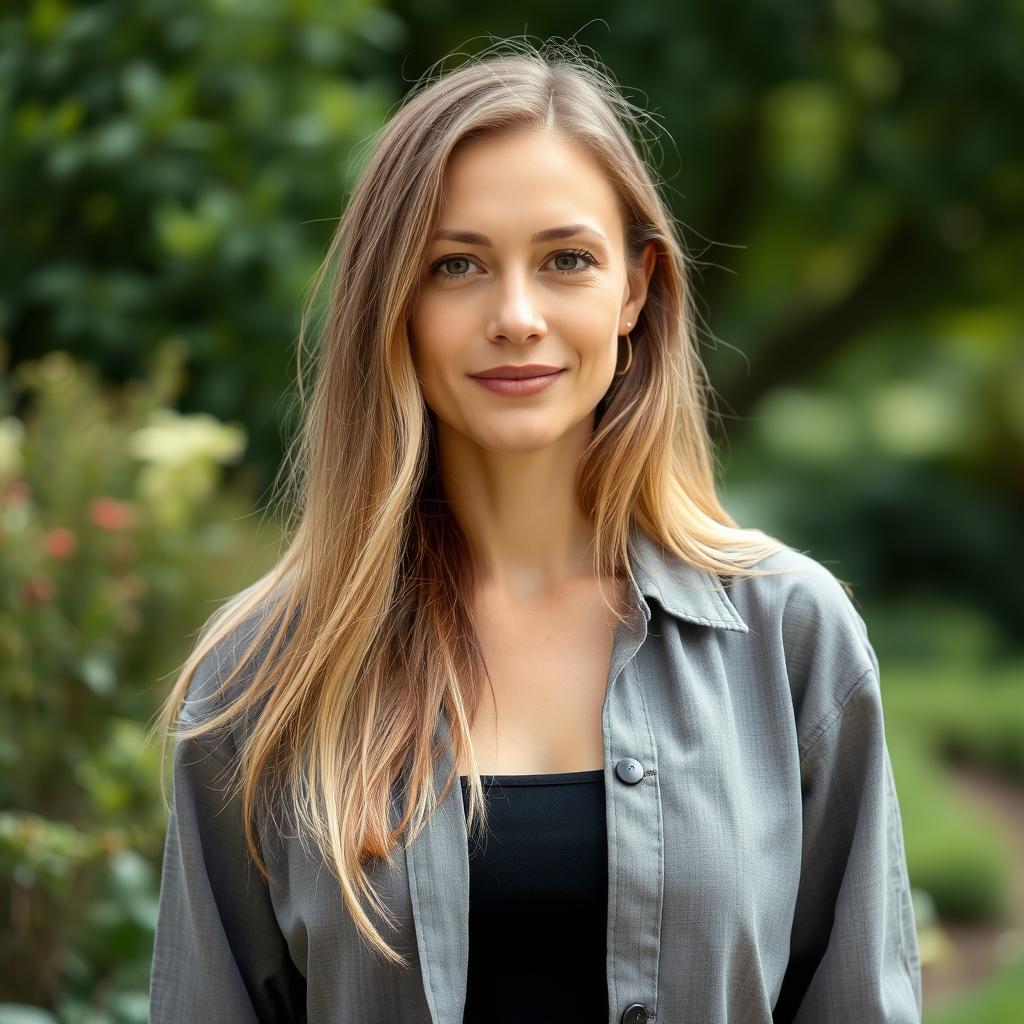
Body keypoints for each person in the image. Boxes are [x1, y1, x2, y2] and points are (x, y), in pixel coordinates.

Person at [148, 39, 922, 1024]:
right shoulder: (264, 677)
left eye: (565, 260)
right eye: (457, 264)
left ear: (634, 289)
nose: (515, 316)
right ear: (394, 301)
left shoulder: (789, 639)